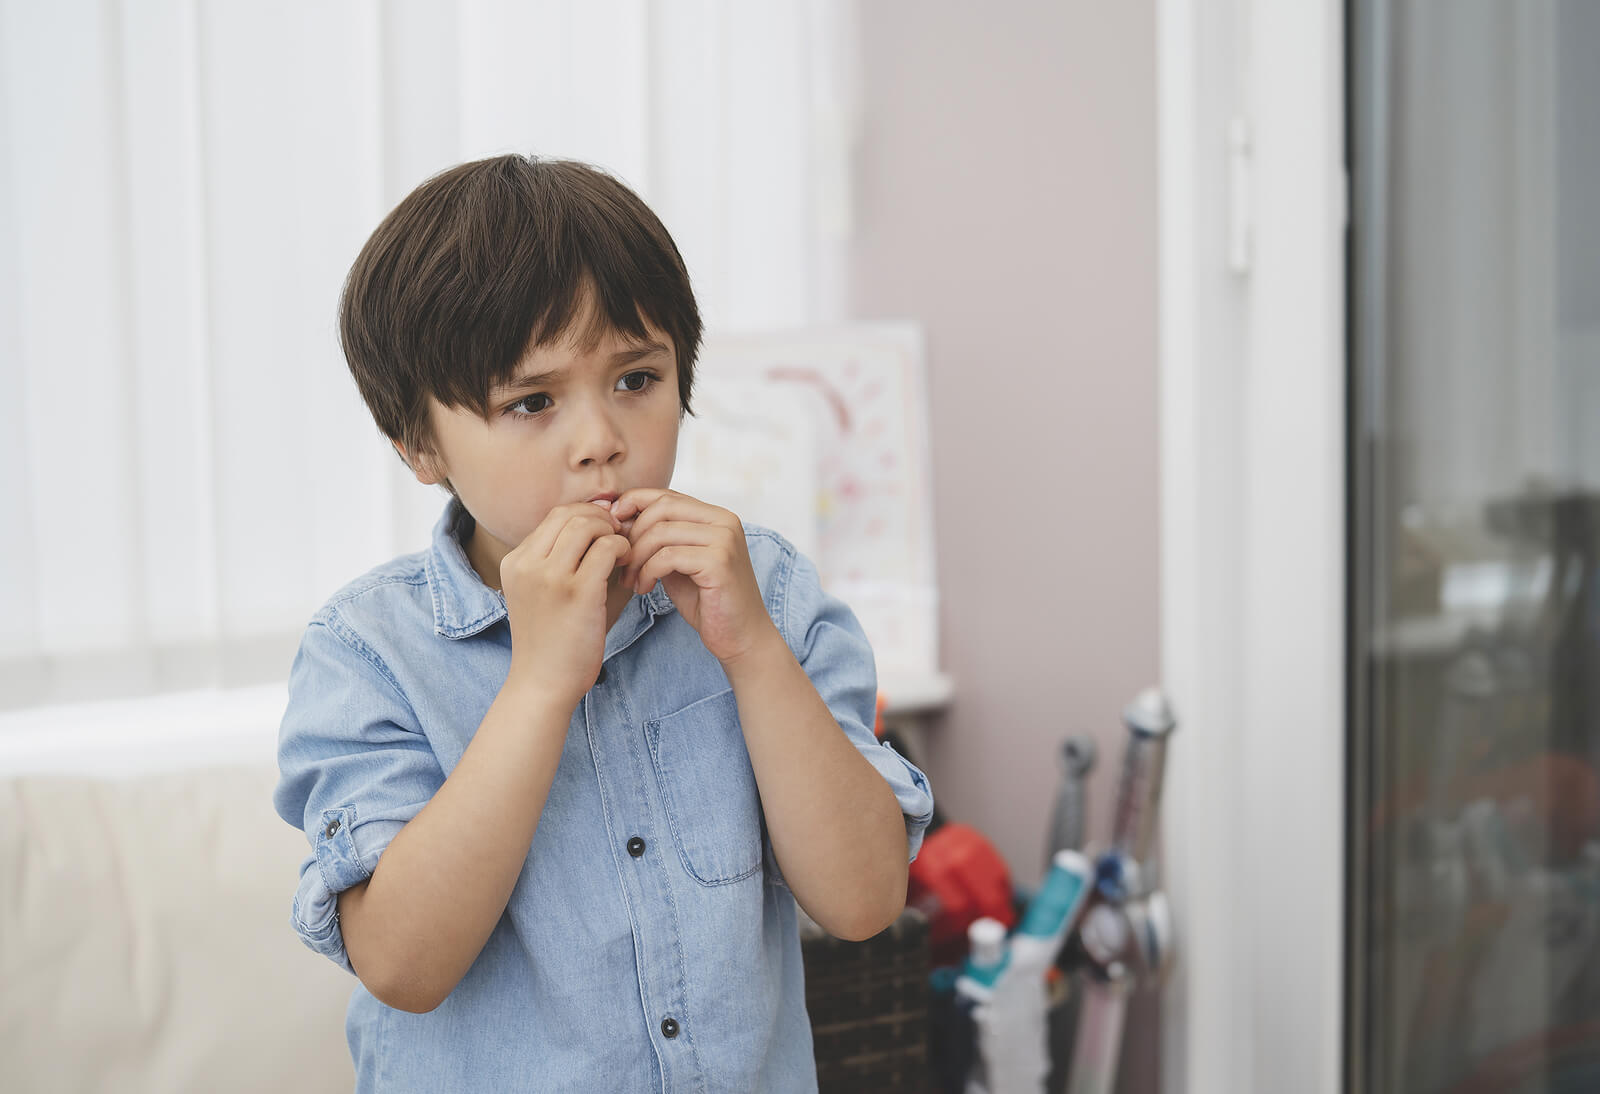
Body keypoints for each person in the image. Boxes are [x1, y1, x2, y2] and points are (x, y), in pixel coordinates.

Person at [271, 154, 935, 1093]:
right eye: (532, 402)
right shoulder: (369, 652)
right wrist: (539, 683)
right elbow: (405, 967)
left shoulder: (767, 591)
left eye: (636, 378)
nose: (602, 441)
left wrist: (752, 654)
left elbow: (865, 903)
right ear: (419, 445)